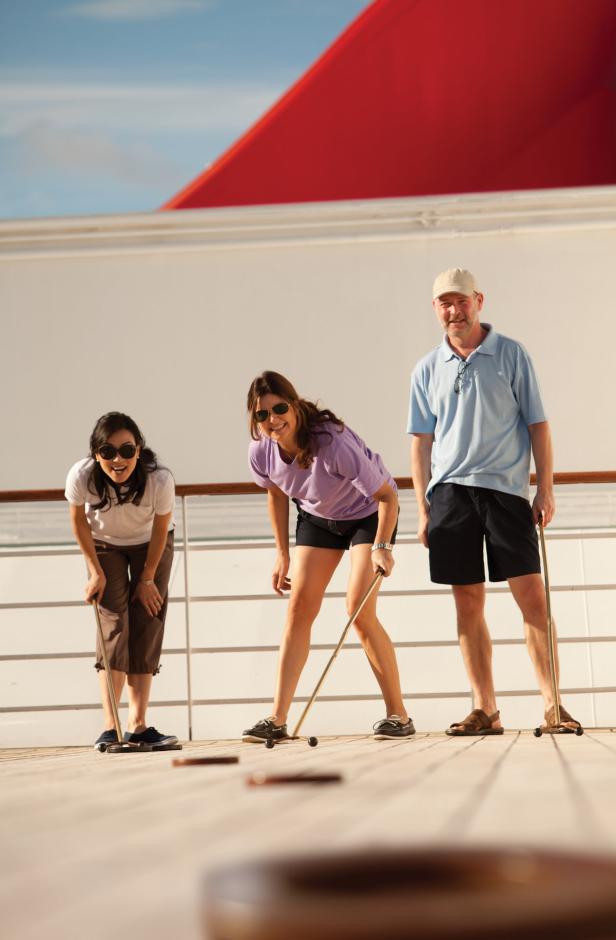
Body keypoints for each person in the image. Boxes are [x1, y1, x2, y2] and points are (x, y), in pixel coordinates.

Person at [408, 268, 581, 735]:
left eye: (460, 301)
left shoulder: (511, 354)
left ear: (478, 300)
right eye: (444, 303)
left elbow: (538, 425)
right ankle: (485, 709)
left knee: (533, 601)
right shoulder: (426, 368)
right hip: (449, 496)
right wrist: (424, 509)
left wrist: (545, 487)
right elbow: (421, 441)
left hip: (505, 493)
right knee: (467, 604)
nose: (453, 311)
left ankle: (553, 705)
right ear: (435, 309)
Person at [243, 371, 414, 742]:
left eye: (279, 409)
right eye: (262, 415)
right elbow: (276, 494)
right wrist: (281, 554)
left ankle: (398, 715)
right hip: (318, 519)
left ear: (294, 404)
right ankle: (277, 718)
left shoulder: (332, 443)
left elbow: (388, 498)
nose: (273, 420)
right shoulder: (262, 451)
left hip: (368, 515)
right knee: (298, 609)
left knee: (358, 609)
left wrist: (382, 547)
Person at [65, 412, 178, 750]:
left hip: (151, 546)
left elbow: (161, 530)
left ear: (139, 450)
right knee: (114, 624)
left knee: (148, 619)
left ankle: (138, 726)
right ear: (95, 454)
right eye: (108, 452)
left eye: (127, 451)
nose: (118, 460)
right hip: (104, 547)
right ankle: (111, 727)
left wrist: (147, 579)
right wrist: (94, 571)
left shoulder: (159, 480)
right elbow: (78, 521)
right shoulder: (82, 476)